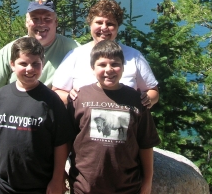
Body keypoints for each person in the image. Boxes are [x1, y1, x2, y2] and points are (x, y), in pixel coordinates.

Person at [0, 0, 78, 194]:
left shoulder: (72, 49)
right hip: (2, 123)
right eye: (35, 18)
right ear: (27, 21)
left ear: (56, 21)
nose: (41, 24)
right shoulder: (11, 50)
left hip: (41, 129)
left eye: (47, 18)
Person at [0, 37, 74, 194]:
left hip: (40, 184)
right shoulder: (1, 96)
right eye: (23, 64)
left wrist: (57, 179)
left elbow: (61, 144)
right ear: (12, 64)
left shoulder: (51, 100)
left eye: (35, 64)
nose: (29, 69)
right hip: (4, 183)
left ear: (42, 64)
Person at [67, 40, 160, 194]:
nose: (109, 70)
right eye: (102, 65)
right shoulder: (80, 97)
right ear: (92, 68)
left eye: (115, 64)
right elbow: (65, 140)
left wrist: (147, 180)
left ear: (123, 68)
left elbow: (146, 143)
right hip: (84, 186)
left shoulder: (137, 100)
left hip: (127, 187)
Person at [53, 0, 159, 107]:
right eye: (99, 22)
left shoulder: (134, 56)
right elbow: (56, 91)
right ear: (90, 24)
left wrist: (148, 99)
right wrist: (69, 97)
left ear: (117, 27)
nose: (104, 28)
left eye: (110, 23)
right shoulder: (75, 55)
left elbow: (152, 91)